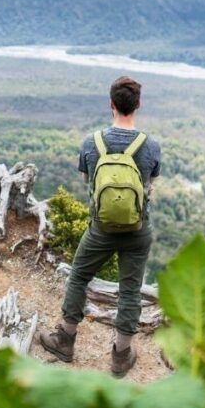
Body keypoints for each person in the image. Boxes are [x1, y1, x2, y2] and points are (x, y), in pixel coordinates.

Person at [39, 75, 161, 378]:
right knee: (130, 289)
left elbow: (88, 183)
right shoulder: (150, 146)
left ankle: (65, 341)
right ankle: (121, 357)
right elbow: (149, 189)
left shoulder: (91, 143)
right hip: (137, 230)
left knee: (79, 276)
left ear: (111, 104)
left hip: (101, 230)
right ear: (138, 106)